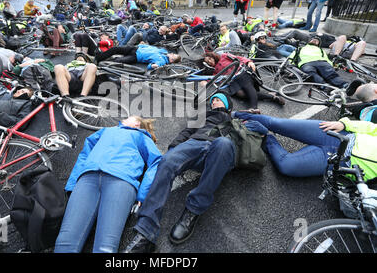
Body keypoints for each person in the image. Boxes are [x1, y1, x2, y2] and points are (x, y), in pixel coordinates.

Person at [123, 92, 269, 252]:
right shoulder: (202, 116)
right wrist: (174, 149)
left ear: (227, 105)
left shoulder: (236, 119)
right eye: (212, 100)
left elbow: (262, 129)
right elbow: (186, 132)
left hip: (220, 152)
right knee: (167, 161)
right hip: (196, 143)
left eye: (218, 100)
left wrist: (238, 115)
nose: (214, 102)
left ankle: (192, 210)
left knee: (224, 143)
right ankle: (146, 232)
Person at [54, 115, 161, 253]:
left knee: (105, 246)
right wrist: (72, 184)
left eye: (130, 117)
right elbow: (85, 153)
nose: (124, 118)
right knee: (65, 241)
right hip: (88, 179)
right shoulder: (106, 130)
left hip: (121, 181)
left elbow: (156, 161)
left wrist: (143, 194)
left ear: (137, 124)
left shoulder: (141, 137)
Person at [232, 111, 376, 181]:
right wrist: (345, 123)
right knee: (277, 124)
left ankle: (266, 136)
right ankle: (232, 114)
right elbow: (373, 128)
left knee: (287, 166)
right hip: (343, 136)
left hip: (341, 163)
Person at [203, 52, 285, 110]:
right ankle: (272, 96)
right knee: (241, 94)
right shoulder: (215, 70)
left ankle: (254, 108)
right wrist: (206, 81)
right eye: (207, 62)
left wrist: (249, 62)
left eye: (210, 59)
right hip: (235, 80)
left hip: (243, 72)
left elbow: (239, 58)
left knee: (245, 84)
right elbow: (214, 78)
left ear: (213, 56)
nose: (209, 62)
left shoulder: (224, 56)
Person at [95, 44, 182, 70]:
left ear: (171, 61)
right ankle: (99, 57)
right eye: (174, 54)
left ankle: (100, 66)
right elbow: (152, 47)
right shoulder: (164, 51)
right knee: (115, 49)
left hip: (136, 57)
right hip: (135, 48)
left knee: (117, 61)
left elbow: (150, 66)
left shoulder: (162, 61)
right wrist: (141, 46)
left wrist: (153, 66)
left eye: (173, 56)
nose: (172, 54)